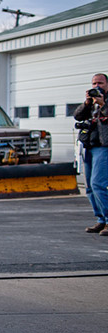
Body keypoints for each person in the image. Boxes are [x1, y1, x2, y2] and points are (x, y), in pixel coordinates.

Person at [74, 73, 108, 234]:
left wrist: (103, 104)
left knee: (98, 184)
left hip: (104, 146)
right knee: (89, 187)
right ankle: (101, 220)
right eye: (94, 83)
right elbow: (78, 116)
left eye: (100, 83)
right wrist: (87, 103)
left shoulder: (104, 102)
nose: (97, 86)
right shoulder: (91, 103)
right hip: (89, 146)